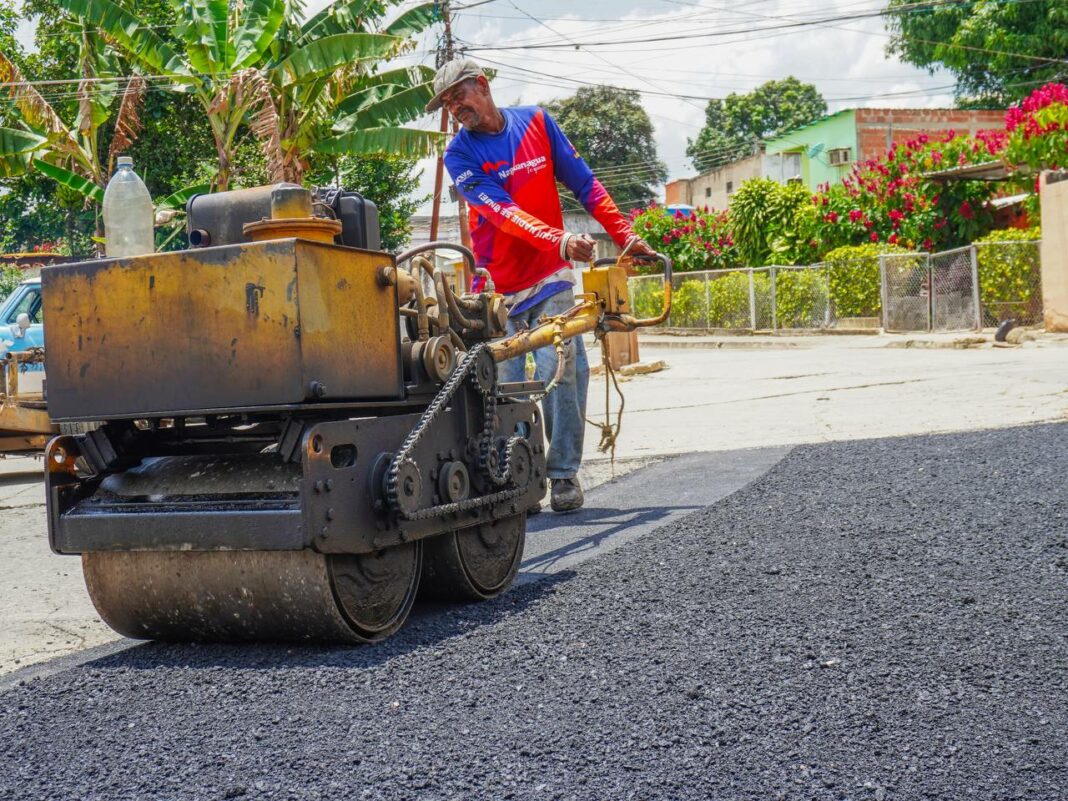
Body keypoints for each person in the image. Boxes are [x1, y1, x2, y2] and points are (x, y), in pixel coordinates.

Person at [429, 57, 655, 512]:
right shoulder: (459, 155)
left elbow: (585, 184)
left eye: (459, 96)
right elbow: (503, 213)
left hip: (551, 276)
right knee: (506, 385)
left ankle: (564, 473)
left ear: (483, 84)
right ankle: (520, 476)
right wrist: (563, 239)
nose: (456, 109)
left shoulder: (536, 122)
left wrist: (625, 234)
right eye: (448, 104)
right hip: (498, 288)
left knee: (564, 365)